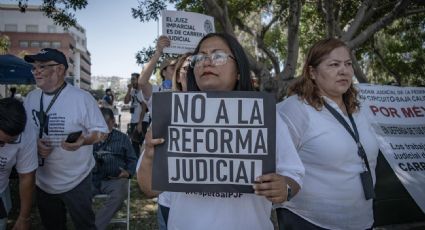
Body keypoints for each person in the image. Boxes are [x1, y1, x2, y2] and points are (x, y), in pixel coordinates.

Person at [137, 33, 305, 230]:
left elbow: (294, 176)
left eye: (218, 56)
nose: (207, 62)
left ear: (239, 71)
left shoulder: (266, 117)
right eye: (200, 57)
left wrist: (284, 187)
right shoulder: (172, 115)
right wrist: (149, 155)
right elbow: (149, 189)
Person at [276, 38, 379, 230]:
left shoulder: (359, 109)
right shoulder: (295, 109)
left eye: (348, 64)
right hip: (308, 221)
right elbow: (277, 165)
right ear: (312, 72)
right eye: (334, 64)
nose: (344, 70)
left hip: (362, 220)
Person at [23, 48, 109, 230]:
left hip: (76, 180)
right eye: (34, 67)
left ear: (60, 69)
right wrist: (34, 144)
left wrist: (83, 141)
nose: (36, 71)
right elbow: (23, 134)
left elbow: (102, 132)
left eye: (42, 66)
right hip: (42, 181)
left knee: (85, 225)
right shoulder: (30, 98)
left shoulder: (82, 98)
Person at [92, 108, 137, 230]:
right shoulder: (91, 136)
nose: (103, 126)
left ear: (113, 121)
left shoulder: (122, 138)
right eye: (99, 122)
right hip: (93, 178)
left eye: (106, 123)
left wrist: (128, 173)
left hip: (115, 180)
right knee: (77, 194)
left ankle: (94, 227)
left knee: (119, 195)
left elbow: (133, 159)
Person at [0, 98, 37, 230]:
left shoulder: (27, 133)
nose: (3, 146)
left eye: (10, 142)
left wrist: (24, 217)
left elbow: (26, 176)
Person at [124, 73, 149, 156]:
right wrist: (129, 89)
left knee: (142, 145)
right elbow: (126, 101)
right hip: (134, 121)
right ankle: (136, 166)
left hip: (142, 122)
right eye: (131, 79)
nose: (132, 81)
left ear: (139, 80)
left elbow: (144, 108)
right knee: (134, 145)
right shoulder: (133, 92)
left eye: (133, 79)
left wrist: (140, 123)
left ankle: (142, 165)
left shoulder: (142, 91)